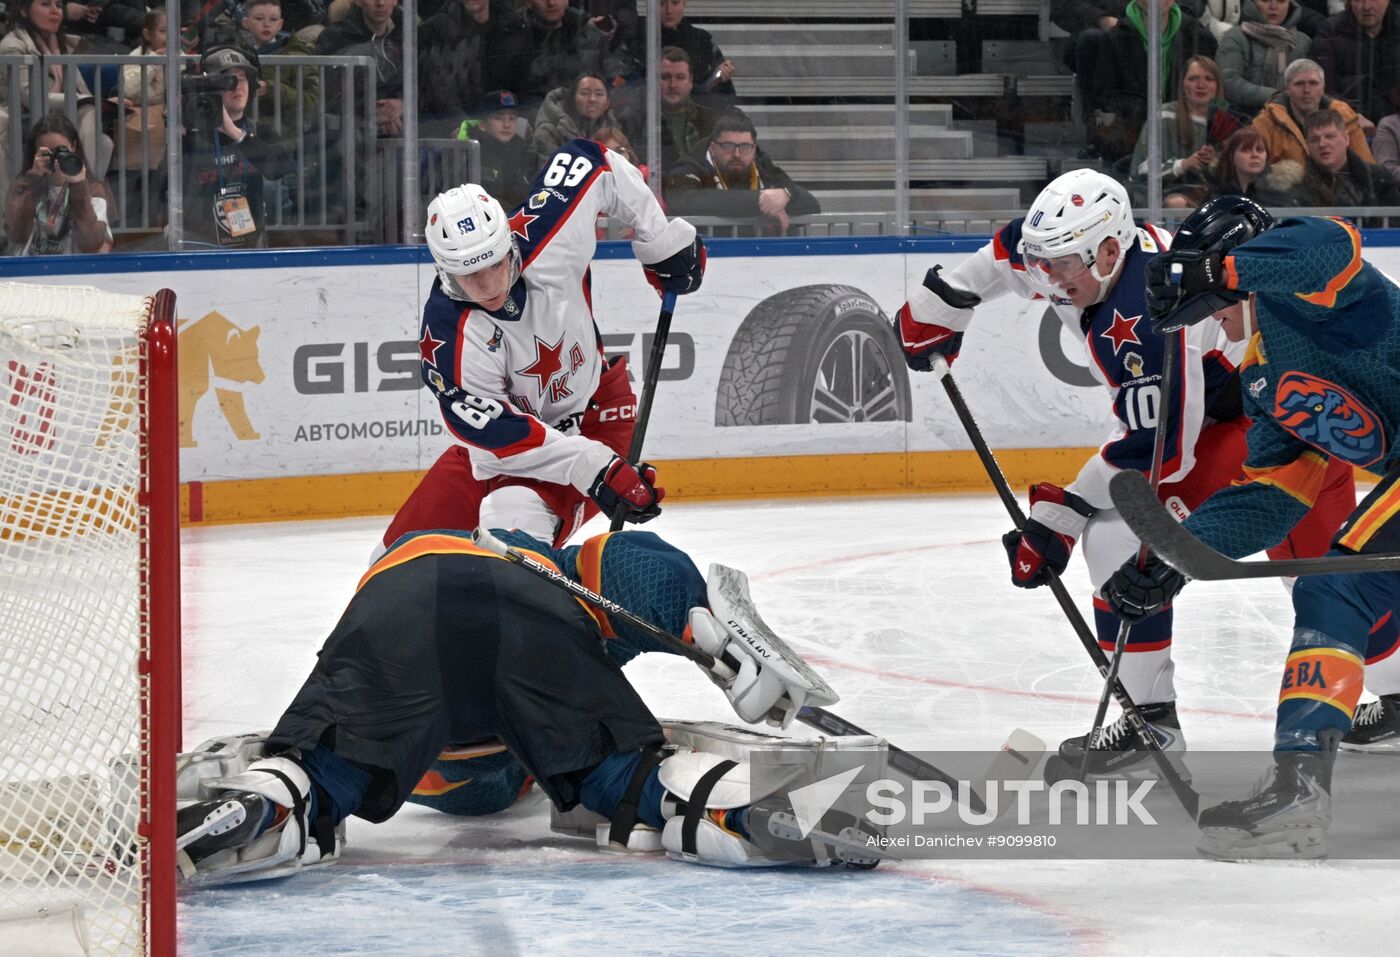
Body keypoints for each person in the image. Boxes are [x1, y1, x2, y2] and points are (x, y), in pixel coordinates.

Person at [891, 169, 1357, 775]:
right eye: (1047, 263)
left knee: (1330, 592)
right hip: (1227, 423)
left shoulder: (1155, 318)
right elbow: (1010, 252)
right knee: (1116, 539)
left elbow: (1158, 453)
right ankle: (1151, 723)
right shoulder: (1079, 256)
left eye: (1063, 266)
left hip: (1273, 434)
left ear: (1112, 250)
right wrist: (941, 301)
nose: (1050, 280)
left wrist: (1058, 516)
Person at [172, 527, 869, 881]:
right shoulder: (533, 563)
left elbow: (436, 769)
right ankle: (730, 807)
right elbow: (627, 558)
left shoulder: (402, 563)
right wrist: (707, 633)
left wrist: (318, 753)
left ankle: (270, 804)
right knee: (629, 785)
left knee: (323, 774)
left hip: (395, 619)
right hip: (527, 624)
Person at [1105, 196, 1400, 855]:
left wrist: (1219, 271)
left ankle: (1298, 790)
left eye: (1214, 307)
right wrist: (1171, 560)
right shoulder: (1266, 377)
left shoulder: (1308, 283)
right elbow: (1272, 495)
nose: (1214, 323)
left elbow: (1328, 247)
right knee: (1339, 588)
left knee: (1336, 589)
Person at [376, 137, 705, 557]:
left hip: (595, 417)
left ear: (508, 240)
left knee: (509, 517)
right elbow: (497, 433)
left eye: (496, 263)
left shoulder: (547, 232)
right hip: (507, 453)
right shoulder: (446, 333)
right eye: (472, 277)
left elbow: (592, 159)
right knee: (392, 560)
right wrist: (595, 469)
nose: (491, 285)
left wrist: (660, 241)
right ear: (445, 272)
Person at [180, 44, 295, 249]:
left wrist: (235, 133)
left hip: (249, 246)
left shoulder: (261, 132)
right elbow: (165, 190)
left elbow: (281, 168)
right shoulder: (190, 139)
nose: (237, 86)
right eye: (228, 79)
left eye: (242, 78)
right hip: (200, 246)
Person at [1092, 0, 1218, 163]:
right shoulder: (1115, 37)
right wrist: (1147, 112)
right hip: (1133, 137)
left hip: (1188, 137)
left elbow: (1214, 91)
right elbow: (1105, 94)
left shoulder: (1199, 36)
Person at [0, 0, 113, 181]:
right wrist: (79, 99)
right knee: (86, 107)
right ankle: (82, 185)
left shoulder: (63, 45)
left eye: (59, 6)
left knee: (104, 143)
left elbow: (82, 90)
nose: (55, 12)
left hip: (54, 118)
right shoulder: (12, 46)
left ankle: (84, 188)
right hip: (22, 119)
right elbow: (27, 97)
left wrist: (105, 101)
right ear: (24, 10)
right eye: (45, 4)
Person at [663, 112, 819, 236]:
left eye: (745, 147)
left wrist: (787, 194)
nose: (737, 154)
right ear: (712, 147)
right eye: (728, 146)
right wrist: (760, 201)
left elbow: (811, 204)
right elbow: (683, 201)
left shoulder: (762, 166)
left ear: (754, 149)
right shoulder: (690, 167)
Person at [4, 110, 114, 254]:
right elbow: (17, 236)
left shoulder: (94, 190)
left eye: (62, 151)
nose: (56, 160)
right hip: (30, 270)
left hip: (74, 271)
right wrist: (33, 183)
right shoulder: (23, 187)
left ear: (74, 147)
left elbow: (91, 244)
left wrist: (79, 188)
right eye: (48, 154)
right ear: (35, 154)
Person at [1129, 55, 1242, 194]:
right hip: (1170, 198)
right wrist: (1184, 164)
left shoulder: (1231, 121)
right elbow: (1140, 171)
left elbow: (1243, 176)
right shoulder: (1163, 116)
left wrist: (1215, 162)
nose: (1201, 85)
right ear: (1183, 85)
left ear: (1218, 86)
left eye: (1209, 79)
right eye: (1193, 79)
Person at [418, 0, 532, 136]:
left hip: (505, 133)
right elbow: (439, 91)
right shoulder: (436, 30)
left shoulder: (514, 28)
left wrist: (524, 119)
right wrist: (469, 127)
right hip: (451, 133)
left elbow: (525, 83)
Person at [1251, 57, 1372, 166]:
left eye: (1313, 83)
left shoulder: (1345, 117)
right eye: (1299, 84)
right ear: (1287, 89)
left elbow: (1366, 166)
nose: (1307, 90)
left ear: (1323, 88)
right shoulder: (1266, 123)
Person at [618, 46, 720, 173]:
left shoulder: (711, 121)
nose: (673, 85)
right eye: (665, 77)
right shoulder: (633, 120)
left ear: (691, 81)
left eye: (680, 77)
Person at [314, 0, 403, 136]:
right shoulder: (335, 38)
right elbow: (327, 93)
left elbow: (426, 86)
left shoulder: (410, 36)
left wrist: (403, 104)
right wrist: (372, 110)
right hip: (349, 134)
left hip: (403, 128)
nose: (380, 3)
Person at [1313, 0, 1400, 129]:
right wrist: (1351, 115)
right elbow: (1324, 88)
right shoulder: (1330, 30)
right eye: (1359, 0)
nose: (1367, 6)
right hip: (1346, 124)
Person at [1165, 124, 1300, 207]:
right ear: (1232, 157)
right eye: (1246, 150)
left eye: (1260, 150)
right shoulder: (1216, 196)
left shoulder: (1279, 194)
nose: (1255, 155)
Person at [1216, 0, 1313, 113]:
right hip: (1244, 119)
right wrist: (1277, 97)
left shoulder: (1303, 42)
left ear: (1290, 4)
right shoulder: (1235, 37)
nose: (1273, 6)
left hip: (1294, 120)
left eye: (1281, 1)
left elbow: (1315, 86)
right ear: (1253, 3)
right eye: (1265, 0)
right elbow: (1228, 84)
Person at [1295, 107, 1400, 208]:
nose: (1322, 144)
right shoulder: (1297, 184)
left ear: (1346, 138)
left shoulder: (1378, 178)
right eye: (1314, 140)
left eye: (1330, 137)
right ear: (1307, 145)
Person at [460, 90, 534, 211]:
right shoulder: (470, 152)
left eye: (512, 118)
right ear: (482, 124)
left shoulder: (522, 149)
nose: (506, 124)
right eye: (498, 118)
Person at [656, 0, 734, 109]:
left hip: (699, 119)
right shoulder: (641, 41)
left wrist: (720, 76)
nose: (669, 10)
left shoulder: (702, 41)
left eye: (675, 2)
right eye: (662, 3)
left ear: (684, 3)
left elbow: (726, 97)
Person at [529, 71, 621, 162]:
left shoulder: (614, 132)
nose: (592, 99)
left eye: (599, 94)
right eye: (585, 93)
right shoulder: (549, 132)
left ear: (607, 103)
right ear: (573, 99)